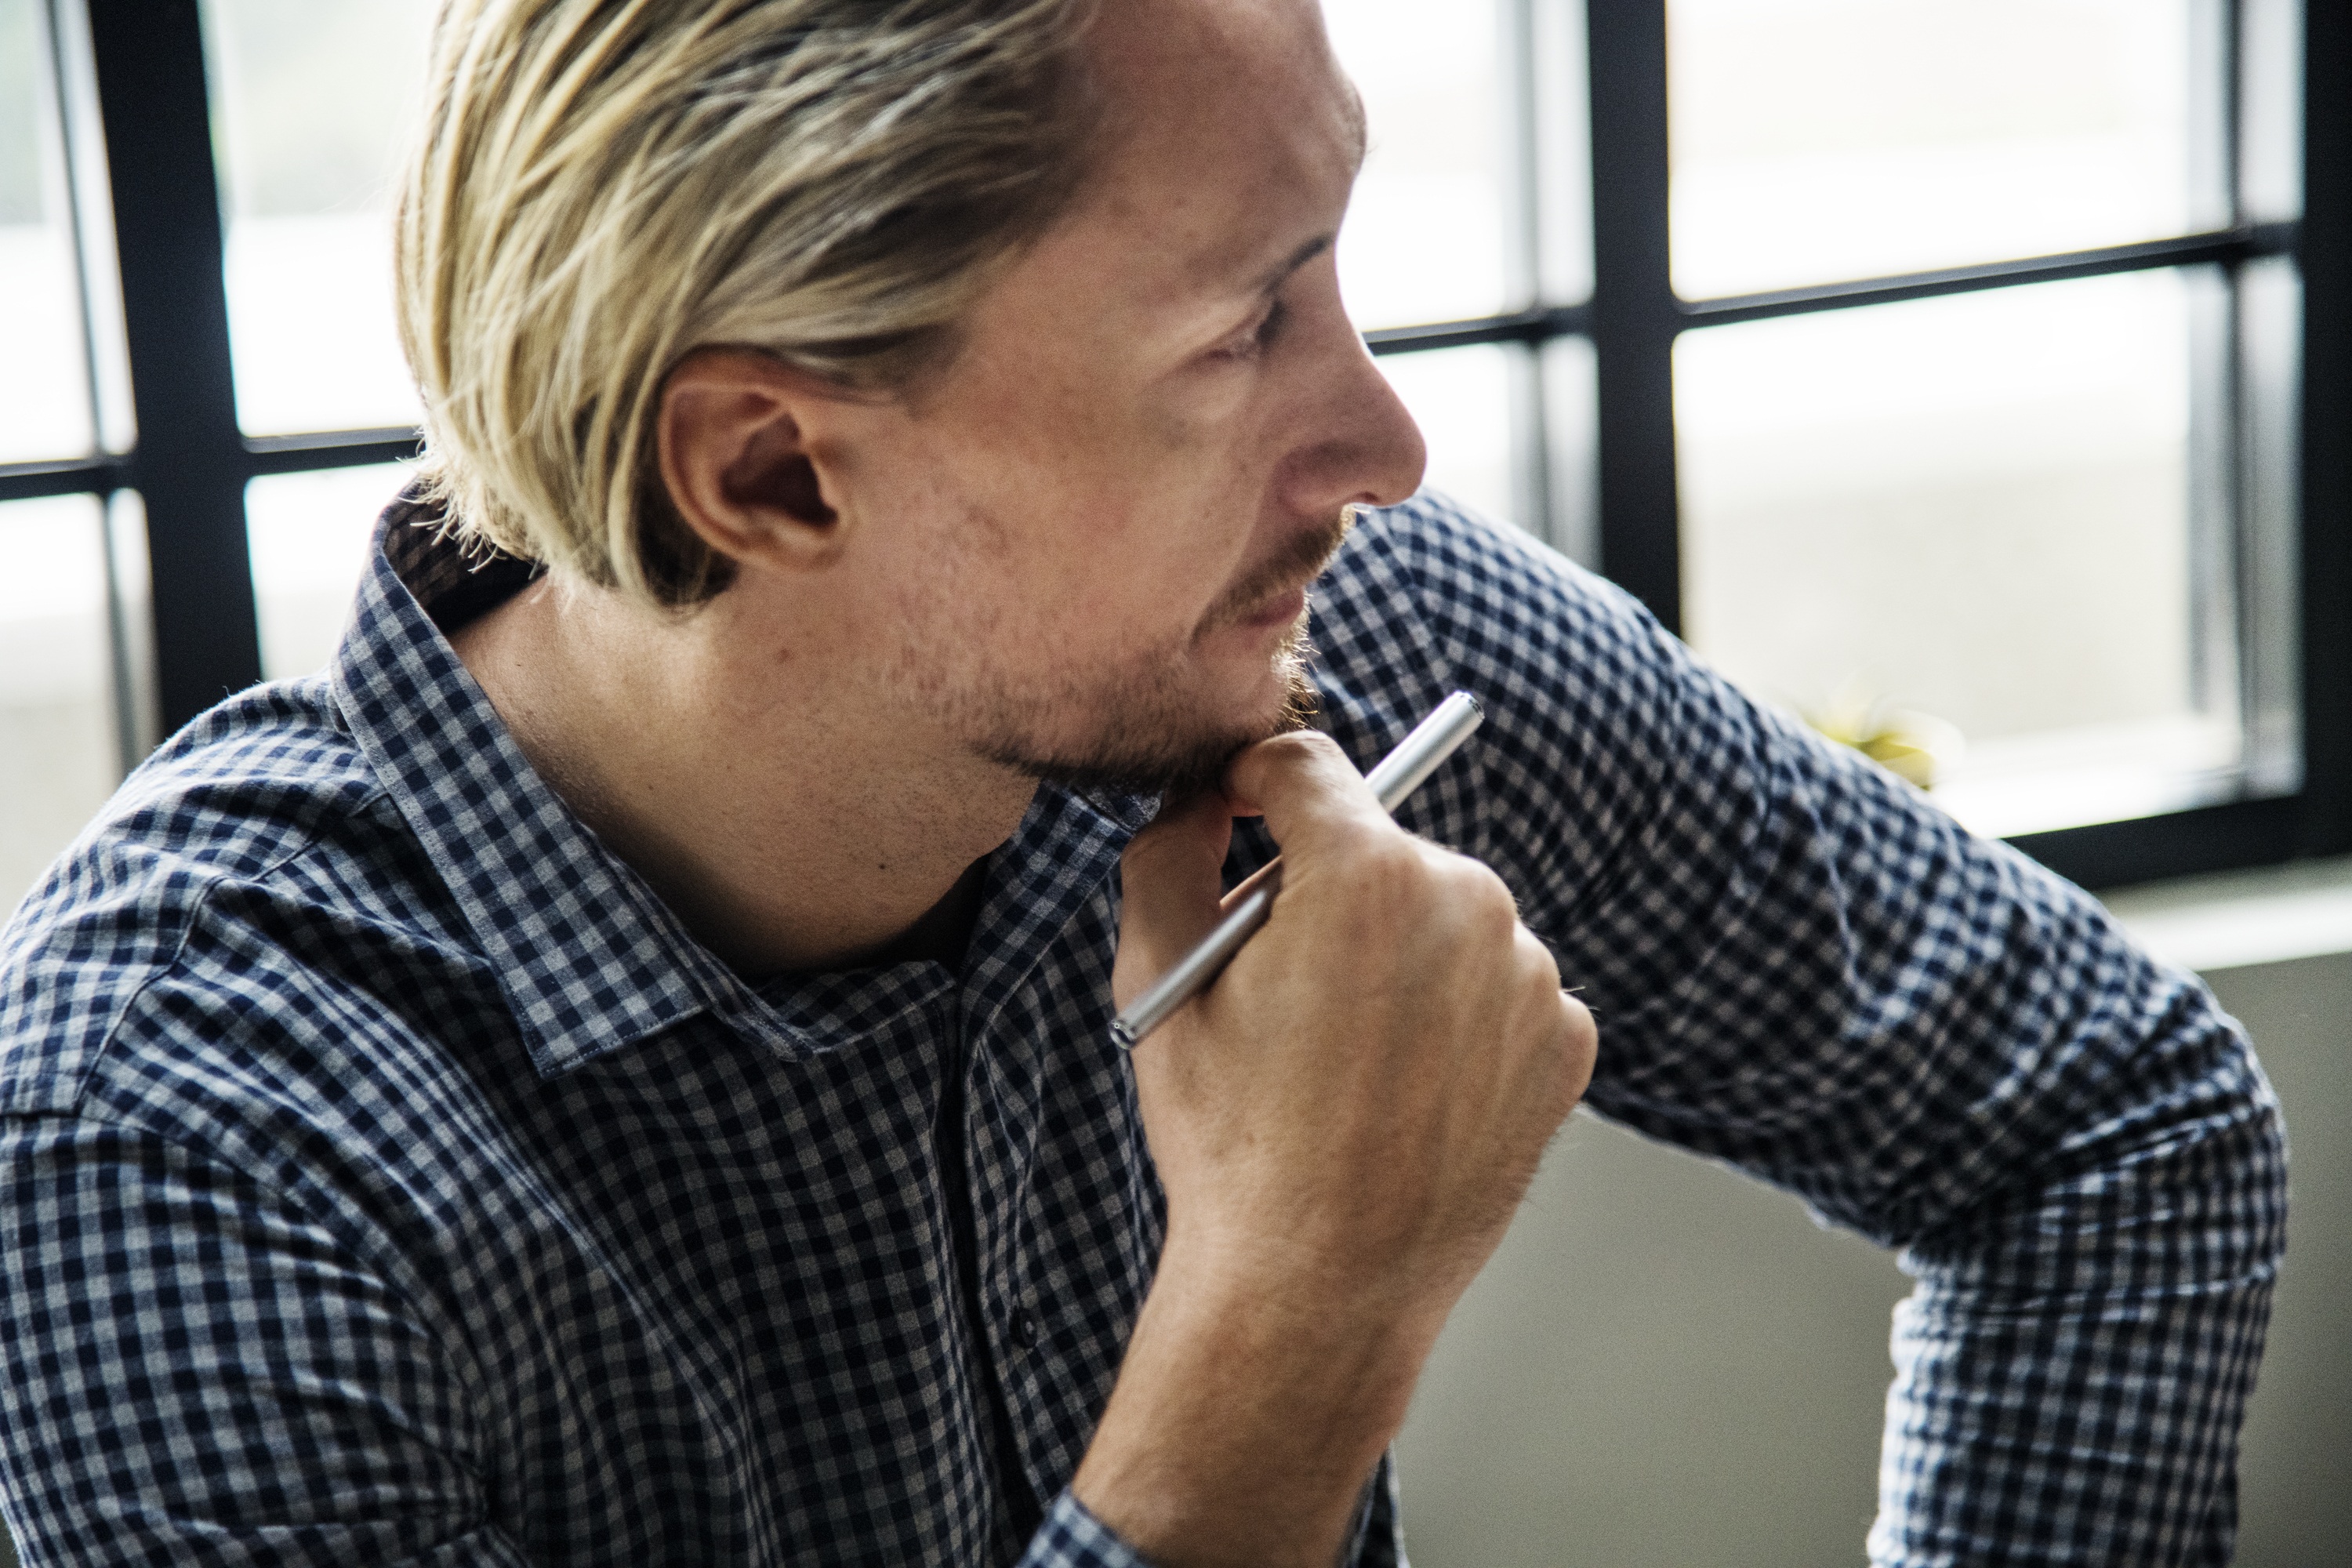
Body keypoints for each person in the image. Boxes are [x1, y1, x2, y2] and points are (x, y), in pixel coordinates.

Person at [0, 0, 2282, 1563]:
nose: (1386, 446)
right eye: (1244, 326)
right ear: (773, 467)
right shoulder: (180, 1163)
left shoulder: (1324, 670)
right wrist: (1299, 1315)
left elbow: (2110, 1128)